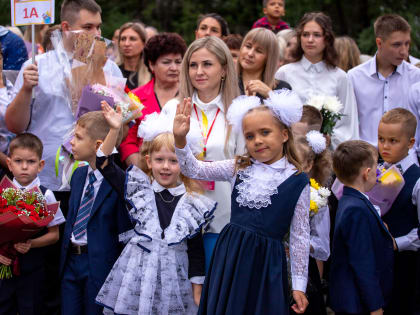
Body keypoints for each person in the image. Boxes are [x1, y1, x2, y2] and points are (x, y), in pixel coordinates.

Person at [173, 91, 310, 314]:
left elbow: (300, 236)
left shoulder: (297, 180)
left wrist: (299, 286)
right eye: (249, 136)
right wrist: (180, 139)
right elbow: (193, 169)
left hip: (265, 264)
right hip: (230, 255)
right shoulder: (239, 166)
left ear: (284, 135)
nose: (257, 141)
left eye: (265, 132)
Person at [95, 103, 215, 314]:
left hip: (174, 280)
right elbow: (103, 163)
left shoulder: (193, 204)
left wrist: (197, 290)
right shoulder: (137, 190)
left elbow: (195, 252)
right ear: (149, 162)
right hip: (139, 277)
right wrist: (114, 129)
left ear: (185, 164)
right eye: (159, 160)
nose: (166, 166)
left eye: (173, 161)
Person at [160, 36, 243, 272]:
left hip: (225, 219)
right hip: (179, 218)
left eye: (207, 64)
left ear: (224, 69)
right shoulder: (173, 109)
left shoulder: (238, 111)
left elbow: (247, 167)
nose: (199, 71)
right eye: (193, 65)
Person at [59, 111, 133, 315]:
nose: (71, 142)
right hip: (71, 262)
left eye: (78, 137)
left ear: (98, 145)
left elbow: (123, 229)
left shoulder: (118, 183)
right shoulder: (78, 175)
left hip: (100, 264)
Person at [0, 133, 65, 315]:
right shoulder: (2, 192)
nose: (24, 167)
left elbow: (55, 235)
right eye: (19, 161)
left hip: (32, 269)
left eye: (31, 162)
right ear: (9, 164)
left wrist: (31, 244)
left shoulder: (46, 195)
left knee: (31, 308)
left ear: (40, 165)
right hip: (3, 267)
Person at [329, 140, 395, 315]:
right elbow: (362, 262)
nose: (377, 172)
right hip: (358, 303)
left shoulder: (350, 201)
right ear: (366, 173)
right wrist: (375, 307)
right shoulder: (355, 210)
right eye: (375, 168)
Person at [275, 12, 358, 149]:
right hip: (291, 151)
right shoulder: (284, 73)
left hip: (329, 155)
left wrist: (330, 138)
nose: (310, 40)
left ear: (327, 39)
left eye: (317, 35)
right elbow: (276, 116)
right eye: (305, 34)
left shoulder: (340, 77)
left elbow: (348, 122)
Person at [348, 14, 420, 148]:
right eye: (397, 45)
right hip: (366, 159)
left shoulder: (416, 77)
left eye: (407, 43)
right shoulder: (355, 77)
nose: (404, 51)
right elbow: (349, 123)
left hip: (407, 160)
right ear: (379, 43)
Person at [119, 33, 187, 167]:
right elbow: (127, 141)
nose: (174, 67)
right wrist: (142, 169)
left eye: (178, 62)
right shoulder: (135, 97)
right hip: (143, 169)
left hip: (183, 171)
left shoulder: (191, 95)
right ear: (151, 65)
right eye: (166, 62)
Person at [378, 108, 420, 315]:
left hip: (406, 268)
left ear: (411, 143)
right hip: (377, 266)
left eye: (393, 141)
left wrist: (397, 243)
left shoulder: (418, 181)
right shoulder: (375, 171)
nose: (384, 146)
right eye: (381, 139)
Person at [294, 131, 331, 315]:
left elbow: (322, 245)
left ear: (309, 164)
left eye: (297, 162)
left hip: (303, 271)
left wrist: (300, 244)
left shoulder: (316, 197)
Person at [238, 28, 291, 100]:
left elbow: (291, 111)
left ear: (269, 58)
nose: (250, 54)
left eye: (258, 51)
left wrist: (270, 95)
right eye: (248, 46)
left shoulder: (282, 88)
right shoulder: (224, 81)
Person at [117, 22, 151, 90]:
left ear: (143, 44)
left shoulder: (152, 74)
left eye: (132, 39)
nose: (126, 44)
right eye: (123, 39)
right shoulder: (112, 71)